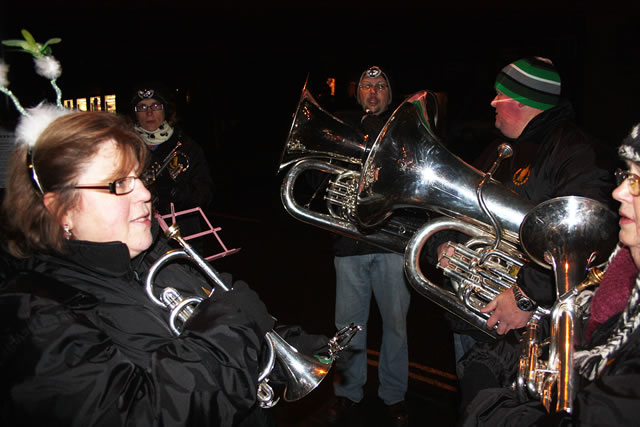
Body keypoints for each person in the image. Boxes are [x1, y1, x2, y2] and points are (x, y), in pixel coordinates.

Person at [0, 107, 327, 426]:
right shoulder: (35, 316)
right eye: (118, 184)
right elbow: (142, 413)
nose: (144, 193)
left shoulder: (154, 253)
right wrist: (232, 324)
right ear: (61, 211)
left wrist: (285, 346)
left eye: (138, 177)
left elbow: (221, 330)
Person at [439, 57, 615, 372]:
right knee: (474, 405)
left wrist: (525, 296)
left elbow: (581, 236)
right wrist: (448, 242)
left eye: (499, 95)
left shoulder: (577, 153)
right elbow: (463, 206)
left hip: (531, 327)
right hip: (476, 313)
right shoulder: (498, 149)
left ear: (521, 102)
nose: (492, 102)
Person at [459, 123, 640, 426]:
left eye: (637, 181)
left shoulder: (571, 148)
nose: (618, 191)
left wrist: (486, 403)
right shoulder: (615, 286)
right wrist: (496, 359)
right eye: (627, 175)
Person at [325, 66, 411, 427]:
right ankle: (347, 392)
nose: (373, 93)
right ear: (357, 93)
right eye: (366, 86)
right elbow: (322, 177)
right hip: (349, 244)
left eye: (380, 86)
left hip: (392, 242)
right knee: (348, 326)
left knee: (395, 326)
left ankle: (393, 395)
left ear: (390, 95)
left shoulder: (406, 131)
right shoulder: (341, 128)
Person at [131, 87, 213, 228]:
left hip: (182, 232)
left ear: (166, 110)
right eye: (142, 107)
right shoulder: (126, 147)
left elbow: (205, 195)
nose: (149, 113)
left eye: (156, 106)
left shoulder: (187, 147)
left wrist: (173, 190)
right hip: (139, 231)